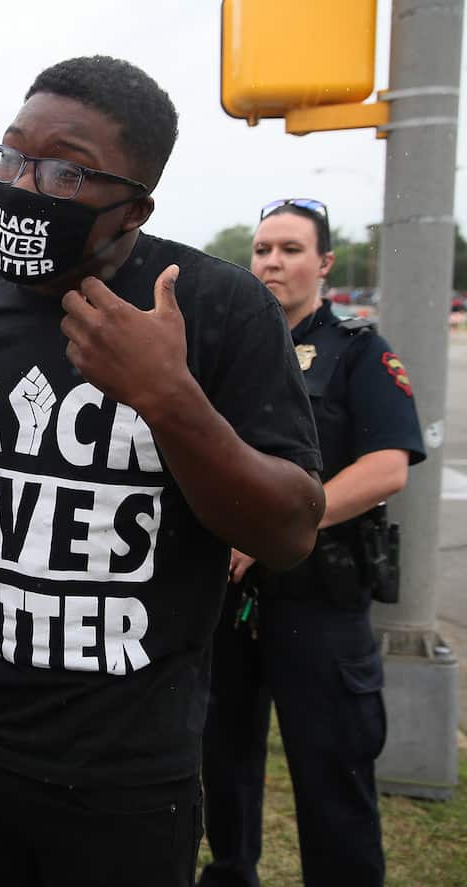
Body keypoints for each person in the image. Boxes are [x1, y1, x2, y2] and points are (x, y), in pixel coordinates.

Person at [0, 56, 326, 887]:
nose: (22, 184)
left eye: (63, 169)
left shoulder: (218, 308)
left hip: (129, 769)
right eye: (10, 157)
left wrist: (169, 396)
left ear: (135, 206)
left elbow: (292, 529)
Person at [199, 199, 425, 887]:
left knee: (333, 775)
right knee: (222, 764)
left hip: (320, 604)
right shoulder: (231, 350)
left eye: (291, 249)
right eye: (263, 248)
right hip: (233, 603)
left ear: (324, 263)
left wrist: (278, 521)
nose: (272, 261)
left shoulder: (359, 349)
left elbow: (387, 467)